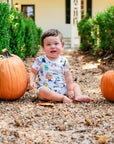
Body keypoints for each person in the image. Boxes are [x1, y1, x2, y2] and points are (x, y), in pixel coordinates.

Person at [29, 29, 91, 104]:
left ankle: (78, 96)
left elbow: (68, 76)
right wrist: (31, 81)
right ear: (43, 48)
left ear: (62, 46)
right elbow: (33, 72)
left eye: (56, 43)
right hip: (47, 90)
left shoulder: (64, 61)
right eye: (48, 44)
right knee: (43, 91)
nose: (52, 46)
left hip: (61, 89)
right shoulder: (40, 60)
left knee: (75, 85)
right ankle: (62, 98)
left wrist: (70, 90)